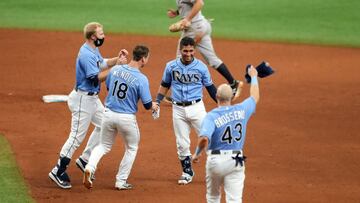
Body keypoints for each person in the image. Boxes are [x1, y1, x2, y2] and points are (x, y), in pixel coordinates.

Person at [48, 22, 128, 189]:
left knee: (105, 125)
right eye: (101, 33)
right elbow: (94, 77)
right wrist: (116, 69)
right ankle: (58, 170)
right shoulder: (85, 53)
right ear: (93, 37)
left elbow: (101, 63)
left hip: (92, 99)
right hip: (83, 100)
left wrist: (116, 60)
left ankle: (85, 160)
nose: (103, 35)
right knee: (76, 136)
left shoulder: (92, 49)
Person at [83, 45, 159, 190]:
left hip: (108, 114)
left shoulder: (116, 69)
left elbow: (109, 89)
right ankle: (120, 181)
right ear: (143, 59)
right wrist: (154, 106)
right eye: (147, 58)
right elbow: (147, 105)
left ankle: (90, 167)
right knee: (131, 147)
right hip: (126, 119)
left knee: (103, 146)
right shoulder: (142, 78)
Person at [192, 65, 259, 203]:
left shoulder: (211, 116)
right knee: (234, 200)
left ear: (216, 96)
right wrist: (253, 76)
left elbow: (204, 139)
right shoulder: (242, 109)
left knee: (213, 198)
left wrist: (197, 153)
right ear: (232, 96)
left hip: (216, 161)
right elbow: (255, 96)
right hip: (236, 160)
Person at [155, 37, 217, 185]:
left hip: (197, 108)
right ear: (180, 50)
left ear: (194, 50)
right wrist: (157, 102)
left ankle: (218, 171)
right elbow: (165, 84)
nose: (188, 54)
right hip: (178, 109)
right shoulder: (171, 66)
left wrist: (223, 105)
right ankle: (187, 171)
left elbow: (210, 88)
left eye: (190, 51)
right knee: (182, 143)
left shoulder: (201, 67)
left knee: (208, 138)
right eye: (185, 51)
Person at [167, 0, 240, 94]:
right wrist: (177, 12)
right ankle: (233, 83)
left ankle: (180, 93)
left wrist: (187, 19)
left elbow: (199, 2)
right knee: (212, 60)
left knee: (180, 59)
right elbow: (187, 5)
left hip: (193, 28)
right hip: (201, 26)